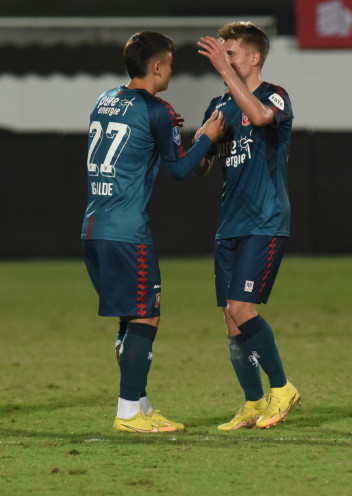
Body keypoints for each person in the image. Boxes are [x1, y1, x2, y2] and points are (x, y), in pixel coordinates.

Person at [81, 31, 225, 433]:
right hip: (127, 232)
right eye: (170, 64)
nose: (172, 71)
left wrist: (168, 131)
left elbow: (134, 137)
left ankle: (140, 405)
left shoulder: (104, 99)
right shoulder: (157, 110)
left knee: (130, 319)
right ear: (157, 66)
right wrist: (206, 138)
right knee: (146, 316)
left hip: (94, 226)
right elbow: (181, 170)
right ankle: (128, 412)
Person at [196, 21, 300, 430]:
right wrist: (200, 143)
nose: (224, 59)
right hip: (229, 225)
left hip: (265, 220)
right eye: (222, 53)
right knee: (230, 316)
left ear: (254, 58)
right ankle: (254, 402)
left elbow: (258, 117)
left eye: (231, 53)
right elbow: (202, 167)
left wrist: (224, 71)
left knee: (242, 307)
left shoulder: (274, 94)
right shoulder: (218, 106)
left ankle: (282, 388)